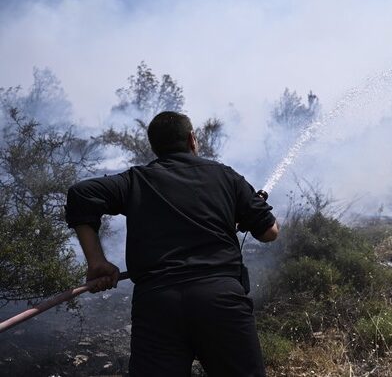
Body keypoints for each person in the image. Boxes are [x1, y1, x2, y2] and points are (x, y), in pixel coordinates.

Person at [65, 111, 277, 376]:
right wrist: (250, 208)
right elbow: (269, 232)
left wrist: (96, 262)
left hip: (157, 305)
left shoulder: (136, 180)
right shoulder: (225, 177)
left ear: (155, 147)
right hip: (220, 301)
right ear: (192, 139)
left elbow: (81, 194)